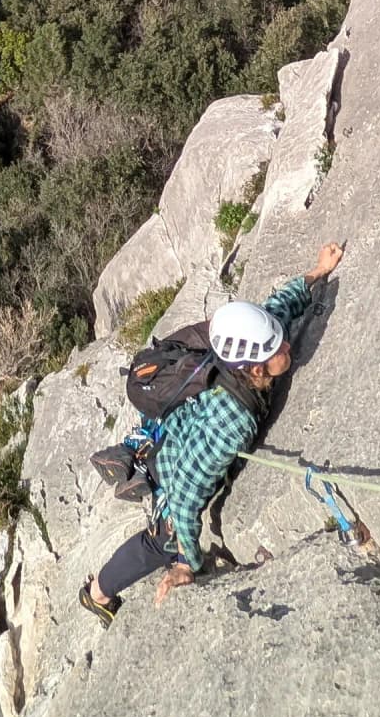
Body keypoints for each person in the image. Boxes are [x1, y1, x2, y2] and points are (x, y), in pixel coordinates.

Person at [80, 241, 345, 620]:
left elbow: (278, 307)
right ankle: (98, 594)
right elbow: (187, 498)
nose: (287, 342)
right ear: (255, 369)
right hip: (177, 458)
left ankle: (137, 455)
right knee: (164, 538)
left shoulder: (243, 346)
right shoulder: (231, 422)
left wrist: (317, 273)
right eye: (278, 346)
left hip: (177, 421)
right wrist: (188, 560)